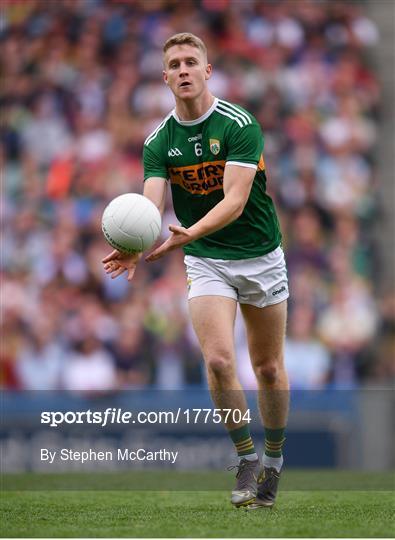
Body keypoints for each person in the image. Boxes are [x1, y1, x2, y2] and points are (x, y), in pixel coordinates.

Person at [102, 33, 289, 509]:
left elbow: (236, 199)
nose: (183, 69)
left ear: (208, 71)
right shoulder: (159, 141)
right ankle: (247, 459)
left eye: (191, 62)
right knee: (220, 361)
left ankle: (274, 461)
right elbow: (150, 204)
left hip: (260, 255)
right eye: (174, 64)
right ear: (165, 77)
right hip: (206, 259)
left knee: (267, 368)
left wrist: (188, 230)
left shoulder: (239, 124)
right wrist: (132, 245)